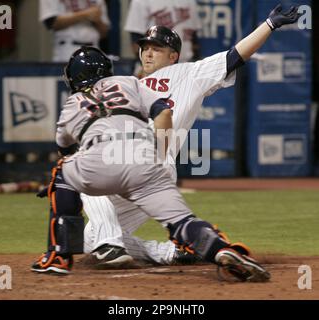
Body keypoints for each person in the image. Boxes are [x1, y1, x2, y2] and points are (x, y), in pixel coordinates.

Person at [80, 4, 301, 268]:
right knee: (89, 238)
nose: (148, 53)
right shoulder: (132, 85)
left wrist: (269, 25)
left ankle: (109, 244)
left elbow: (235, 56)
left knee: (86, 172)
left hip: (148, 160)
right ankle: (170, 253)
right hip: (144, 170)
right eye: (145, 47)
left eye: (157, 48)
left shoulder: (189, 74)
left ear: (173, 56)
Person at [31, 46, 270, 283]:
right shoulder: (131, 83)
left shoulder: (74, 103)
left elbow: (66, 152)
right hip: (146, 162)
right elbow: (164, 114)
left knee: (62, 173)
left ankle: (60, 257)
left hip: (102, 159)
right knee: (181, 222)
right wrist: (157, 158)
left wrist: (62, 186)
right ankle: (218, 249)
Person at [124, 0, 201, 76]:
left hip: (184, 66)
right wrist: (144, 66)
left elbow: (194, 39)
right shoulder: (141, 1)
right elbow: (136, 40)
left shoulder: (190, 1)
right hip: (153, 69)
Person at [39, 0, 110, 62]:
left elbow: (104, 33)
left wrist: (97, 20)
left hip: (94, 48)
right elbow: (51, 23)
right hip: (67, 49)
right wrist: (84, 15)